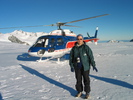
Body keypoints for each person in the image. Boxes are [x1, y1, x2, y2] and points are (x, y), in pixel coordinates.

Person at [69, 34, 98, 99]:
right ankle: (79, 91)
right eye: (78, 39)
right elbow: (71, 58)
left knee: (86, 80)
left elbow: (91, 57)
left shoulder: (86, 47)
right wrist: (71, 66)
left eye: (81, 39)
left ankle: (87, 93)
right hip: (77, 67)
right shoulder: (74, 48)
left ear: (83, 39)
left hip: (85, 67)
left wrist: (93, 65)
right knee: (78, 80)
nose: (79, 40)